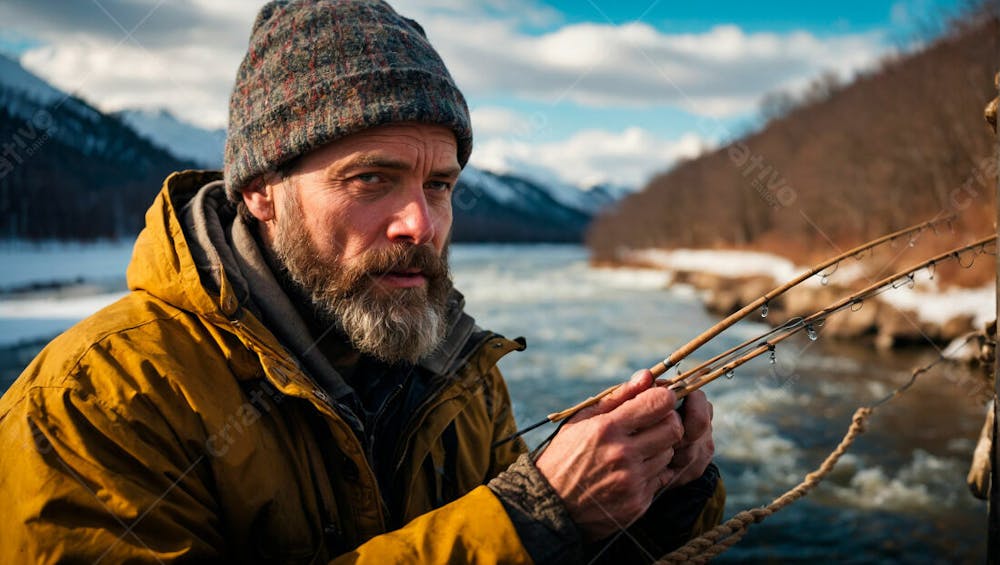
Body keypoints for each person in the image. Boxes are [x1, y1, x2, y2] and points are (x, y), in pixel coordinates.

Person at [0, 1, 724, 562]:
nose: (421, 223)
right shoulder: (95, 402)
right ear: (261, 190)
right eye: (371, 179)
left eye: (439, 185)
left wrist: (653, 499)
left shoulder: (461, 376)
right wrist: (531, 517)